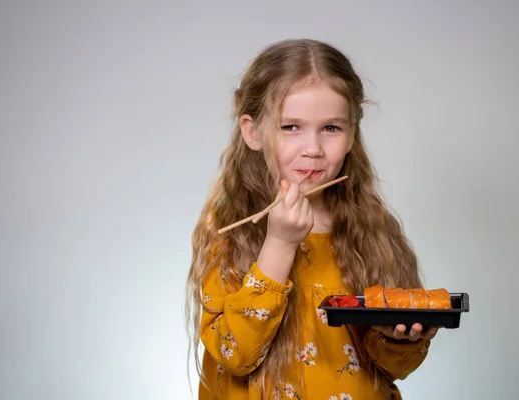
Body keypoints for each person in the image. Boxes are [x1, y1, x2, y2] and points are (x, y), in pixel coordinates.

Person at [185, 38, 439, 400]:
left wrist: (398, 338)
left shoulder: (371, 226)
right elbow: (234, 354)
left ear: (352, 134)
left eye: (331, 128)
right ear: (253, 132)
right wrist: (279, 244)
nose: (314, 148)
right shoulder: (229, 228)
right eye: (291, 127)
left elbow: (395, 367)